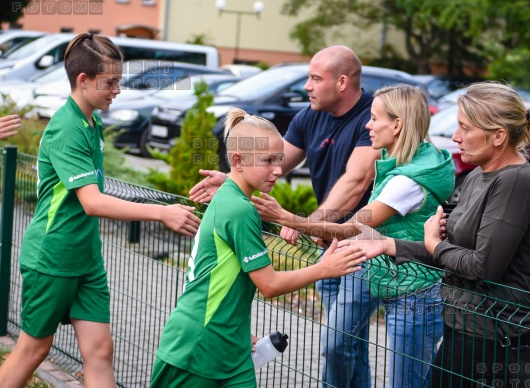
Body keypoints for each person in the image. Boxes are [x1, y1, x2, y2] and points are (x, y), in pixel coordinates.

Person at [0, 33, 200, 388]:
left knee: (100, 351)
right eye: (110, 82)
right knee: (34, 349)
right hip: (53, 258)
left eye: (118, 81)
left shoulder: (93, 123)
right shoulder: (66, 128)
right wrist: (161, 212)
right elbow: (92, 202)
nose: (117, 90)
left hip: (86, 260)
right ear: (83, 80)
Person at [338, 82, 530, 387]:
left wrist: (434, 244)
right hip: (463, 328)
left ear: (498, 136)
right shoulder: (479, 175)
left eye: (465, 128)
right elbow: (450, 253)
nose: (455, 137)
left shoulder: (516, 183)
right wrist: (390, 245)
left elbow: (482, 266)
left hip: (496, 340)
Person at [189, 46, 380, 387]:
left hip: (361, 247)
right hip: (328, 245)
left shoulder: (370, 117)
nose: (306, 85)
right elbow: (272, 161)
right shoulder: (311, 115)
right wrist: (236, 178)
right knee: (348, 345)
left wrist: (304, 222)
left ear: (342, 82)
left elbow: (357, 179)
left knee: (338, 344)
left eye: (314, 78)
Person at [252, 84, 454, 387]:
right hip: (377, 270)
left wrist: (287, 218)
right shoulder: (398, 155)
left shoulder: (408, 181)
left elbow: (355, 227)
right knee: (336, 343)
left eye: (374, 119)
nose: (368, 125)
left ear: (397, 125)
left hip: (412, 289)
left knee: (406, 382)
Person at [150, 108, 367, 388]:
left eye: (279, 160)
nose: (278, 170)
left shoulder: (232, 197)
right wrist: (324, 268)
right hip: (197, 348)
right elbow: (269, 284)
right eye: (268, 161)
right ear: (238, 160)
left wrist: (237, 332)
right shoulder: (239, 209)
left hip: (230, 347)